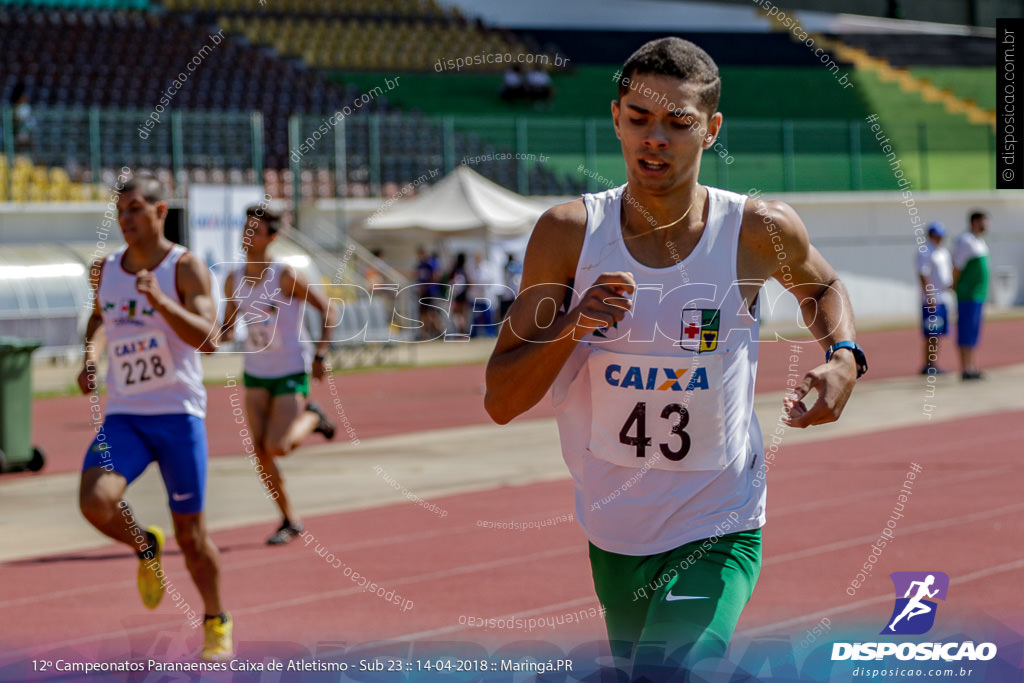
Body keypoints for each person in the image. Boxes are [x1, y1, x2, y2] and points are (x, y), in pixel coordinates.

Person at [484, 38, 865, 676]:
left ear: (711, 130)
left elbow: (822, 286)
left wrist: (844, 356)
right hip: (614, 528)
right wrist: (576, 324)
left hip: (721, 518)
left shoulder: (756, 229)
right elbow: (501, 400)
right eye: (639, 119)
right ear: (615, 118)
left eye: (678, 123)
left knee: (676, 670)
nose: (654, 138)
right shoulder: (568, 236)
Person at [76, 173, 232, 661]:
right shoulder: (105, 271)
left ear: (161, 211)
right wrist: (90, 356)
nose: (126, 220)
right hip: (126, 414)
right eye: (120, 213)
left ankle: (215, 619)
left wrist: (160, 301)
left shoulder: (184, 268)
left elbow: (210, 339)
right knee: (95, 501)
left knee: (192, 537)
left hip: (178, 416)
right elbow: (101, 319)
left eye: (136, 210)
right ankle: (144, 543)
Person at [216, 206, 337, 545]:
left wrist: (322, 354)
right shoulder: (233, 279)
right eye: (245, 229)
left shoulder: (284, 276)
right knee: (260, 452)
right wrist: (215, 335)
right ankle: (289, 518)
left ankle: (312, 417)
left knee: (278, 446)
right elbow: (228, 324)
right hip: (256, 373)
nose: (247, 236)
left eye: (255, 230)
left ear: (273, 237)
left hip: (289, 369)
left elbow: (329, 309)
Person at [952, 210, 989, 380]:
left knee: (974, 331)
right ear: (975, 222)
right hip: (968, 294)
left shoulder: (978, 240)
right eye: (983, 221)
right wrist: (955, 286)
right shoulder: (965, 241)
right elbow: (957, 267)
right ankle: (965, 368)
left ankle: (972, 366)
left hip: (978, 294)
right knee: (966, 330)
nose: (986, 225)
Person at [916, 222, 953, 374]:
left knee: (938, 334)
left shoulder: (943, 252)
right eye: (938, 235)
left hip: (943, 298)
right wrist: (930, 295)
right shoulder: (925, 252)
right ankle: (928, 364)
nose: (940, 238)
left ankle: (934, 363)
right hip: (932, 300)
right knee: (931, 333)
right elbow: (923, 275)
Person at [446, 252, 471, 336]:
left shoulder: (456, 270)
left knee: (459, 315)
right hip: (461, 295)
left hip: (458, 295)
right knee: (461, 315)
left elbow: (453, 283)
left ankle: (462, 331)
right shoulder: (462, 270)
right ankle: (462, 331)